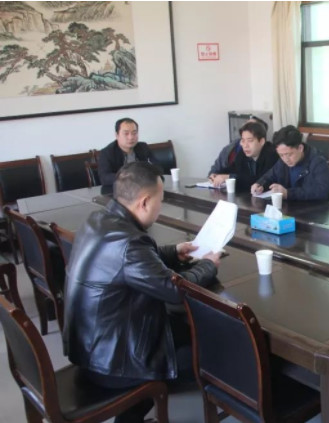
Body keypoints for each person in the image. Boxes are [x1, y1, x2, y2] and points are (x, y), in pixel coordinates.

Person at [63, 161, 221, 423]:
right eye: (161, 199)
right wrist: (208, 266)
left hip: (89, 346)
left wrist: (173, 252)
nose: (161, 205)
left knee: (184, 329)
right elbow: (175, 290)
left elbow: (129, 261)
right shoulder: (131, 242)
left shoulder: (98, 220)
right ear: (145, 202)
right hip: (113, 363)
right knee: (208, 341)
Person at [251, 125, 329, 201]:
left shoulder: (318, 162)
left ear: (300, 148)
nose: (285, 159)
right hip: (293, 208)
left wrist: (288, 193)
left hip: (317, 210)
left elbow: (323, 191)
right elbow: (270, 176)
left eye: (289, 154)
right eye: (281, 155)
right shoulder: (282, 162)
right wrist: (260, 184)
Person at [207, 121, 278, 191]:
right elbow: (232, 169)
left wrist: (228, 177)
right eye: (243, 141)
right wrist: (216, 175)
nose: (245, 145)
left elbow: (258, 181)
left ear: (262, 141)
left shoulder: (272, 154)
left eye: (250, 141)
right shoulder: (242, 154)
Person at [98, 117, 157, 189]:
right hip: (120, 191)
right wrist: (128, 177)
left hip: (143, 188)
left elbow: (157, 166)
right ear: (117, 135)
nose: (131, 137)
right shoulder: (107, 153)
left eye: (134, 133)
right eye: (126, 133)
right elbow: (104, 178)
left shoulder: (143, 147)